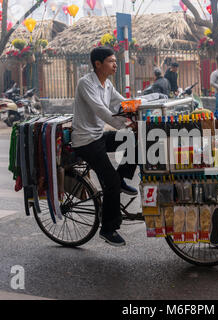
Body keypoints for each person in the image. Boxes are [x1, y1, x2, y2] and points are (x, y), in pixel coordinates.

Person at [71, 46, 138, 247]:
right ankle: (108, 229)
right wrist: (125, 123)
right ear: (98, 64)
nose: (115, 64)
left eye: (115, 60)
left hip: (98, 136)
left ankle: (123, 177)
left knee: (133, 140)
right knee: (111, 183)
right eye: (110, 61)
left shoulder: (107, 84)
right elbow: (101, 110)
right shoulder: (86, 84)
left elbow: (122, 102)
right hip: (86, 142)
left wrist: (140, 112)